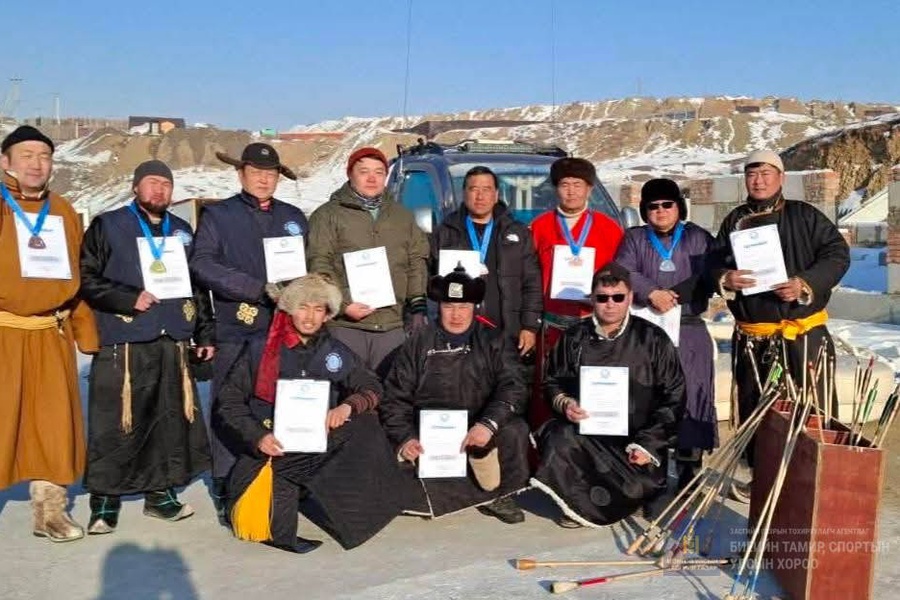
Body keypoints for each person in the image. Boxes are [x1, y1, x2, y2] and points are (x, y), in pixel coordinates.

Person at [214, 274, 412, 553]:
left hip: (316, 438)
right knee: (271, 526)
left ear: (328, 314)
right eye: (303, 307)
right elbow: (229, 401)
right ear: (290, 309)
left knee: (366, 422)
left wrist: (347, 406)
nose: (309, 317)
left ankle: (359, 503)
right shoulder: (261, 348)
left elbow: (371, 386)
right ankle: (283, 490)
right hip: (273, 445)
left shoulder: (333, 350)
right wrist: (258, 436)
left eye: (318, 309)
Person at [79, 160, 215, 533]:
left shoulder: (182, 230)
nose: (159, 190)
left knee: (168, 418)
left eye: (165, 184)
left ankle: (160, 494)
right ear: (136, 187)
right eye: (151, 183)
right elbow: (86, 279)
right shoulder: (109, 225)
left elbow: (197, 287)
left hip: (172, 339)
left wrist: (204, 333)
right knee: (115, 420)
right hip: (125, 338)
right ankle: (105, 500)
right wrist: (126, 298)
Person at [712, 149, 850, 500]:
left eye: (765, 173)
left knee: (811, 408)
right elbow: (712, 263)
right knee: (760, 411)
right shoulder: (735, 221)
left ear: (781, 177)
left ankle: (812, 482)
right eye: (751, 174)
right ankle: (762, 479)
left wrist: (805, 282)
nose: (758, 180)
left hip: (802, 333)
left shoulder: (806, 216)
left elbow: (837, 254)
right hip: (754, 338)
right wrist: (725, 276)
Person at [190, 142, 309, 518]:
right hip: (239, 325)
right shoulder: (219, 216)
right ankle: (227, 480)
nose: (263, 179)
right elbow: (202, 264)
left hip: (287, 327)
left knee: (283, 402)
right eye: (256, 172)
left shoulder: (293, 217)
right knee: (231, 404)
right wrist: (254, 288)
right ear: (241, 174)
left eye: (270, 174)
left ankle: (284, 475)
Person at [0, 125, 99, 542]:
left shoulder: (63, 210)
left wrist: (86, 332)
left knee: (53, 426)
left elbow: (77, 275)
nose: (36, 164)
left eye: (44, 156)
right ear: (6, 162)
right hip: (4, 332)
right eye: (26, 155)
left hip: (51, 334)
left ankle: (50, 512)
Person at [532, 262, 685, 527]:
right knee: (557, 435)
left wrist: (648, 444)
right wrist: (566, 403)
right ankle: (579, 505)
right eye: (602, 298)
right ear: (592, 298)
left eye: (618, 297)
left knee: (638, 488)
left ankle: (637, 493)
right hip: (587, 437)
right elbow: (552, 382)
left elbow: (674, 395)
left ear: (630, 297)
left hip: (635, 440)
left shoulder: (653, 338)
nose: (610, 304)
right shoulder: (573, 337)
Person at [380, 265, 531, 524]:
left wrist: (487, 424)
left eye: (463, 307)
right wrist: (406, 438)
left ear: (475, 307)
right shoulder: (418, 343)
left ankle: (497, 495)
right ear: (438, 307)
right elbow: (395, 398)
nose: (457, 315)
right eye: (449, 306)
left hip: (479, 426)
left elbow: (514, 386)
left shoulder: (494, 340)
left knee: (514, 430)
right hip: (430, 429)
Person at [615, 178, 716, 489]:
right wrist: (652, 292)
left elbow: (712, 272)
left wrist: (675, 295)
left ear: (678, 207)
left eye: (666, 204)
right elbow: (624, 270)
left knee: (692, 394)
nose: (660, 211)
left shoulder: (698, 237)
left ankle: (689, 469)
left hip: (687, 327)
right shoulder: (634, 238)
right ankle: (649, 474)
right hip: (647, 329)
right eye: (653, 206)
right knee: (647, 397)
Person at [306, 147, 429, 375]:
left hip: (392, 326)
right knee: (346, 394)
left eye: (379, 172)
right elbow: (319, 263)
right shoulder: (327, 215)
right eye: (364, 171)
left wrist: (417, 305)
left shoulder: (402, 216)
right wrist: (343, 304)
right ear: (350, 174)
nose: (372, 178)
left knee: (389, 395)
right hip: (346, 326)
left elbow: (416, 261)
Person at [530, 157, 624, 427]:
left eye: (578, 185)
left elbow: (619, 278)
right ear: (555, 189)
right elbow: (530, 277)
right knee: (549, 390)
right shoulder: (540, 226)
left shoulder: (609, 228)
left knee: (592, 391)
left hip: (592, 325)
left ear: (590, 189)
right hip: (552, 326)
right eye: (564, 184)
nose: (571, 191)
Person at [429, 165, 542, 359]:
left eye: (486, 189)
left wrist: (530, 326)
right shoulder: (446, 232)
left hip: (507, 332)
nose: (480, 196)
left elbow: (532, 283)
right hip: (460, 333)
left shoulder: (517, 232)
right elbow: (431, 282)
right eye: (474, 189)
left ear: (496, 194)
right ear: (464, 193)